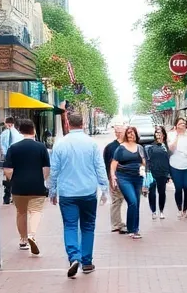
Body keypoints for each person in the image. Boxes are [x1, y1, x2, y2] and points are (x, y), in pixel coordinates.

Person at [49, 112, 108, 278]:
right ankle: (87, 262)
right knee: (88, 226)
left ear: (68, 123)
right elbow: (99, 167)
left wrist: (52, 190)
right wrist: (104, 188)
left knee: (70, 225)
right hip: (88, 191)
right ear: (83, 123)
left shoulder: (60, 144)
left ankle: (74, 257)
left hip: (67, 193)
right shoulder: (92, 144)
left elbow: (54, 170)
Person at [3, 118, 50, 255]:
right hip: (37, 186)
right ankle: (32, 234)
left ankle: (23, 239)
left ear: (20, 131)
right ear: (33, 130)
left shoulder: (13, 148)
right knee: (35, 211)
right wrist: (42, 179)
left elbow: (7, 169)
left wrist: (15, 179)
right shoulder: (41, 147)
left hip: (18, 187)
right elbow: (46, 168)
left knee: (21, 212)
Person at [110, 126, 147, 238]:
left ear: (136, 135)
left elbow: (144, 162)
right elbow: (113, 164)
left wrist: (143, 167)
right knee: (132, 201)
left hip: (137, 177)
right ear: (126, 135)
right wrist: (113, 177)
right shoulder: (121, 148)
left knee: (137, 203)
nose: (131, 135)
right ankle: (131, 229)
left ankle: (135, 229)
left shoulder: (140, 148)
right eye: (129, 133)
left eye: (133, 133)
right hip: (124, 178)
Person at [167, 116, 187, 220]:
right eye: (180, 123)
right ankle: (179, 209)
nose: (182, 125)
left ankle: (185, 210)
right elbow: (171, 149)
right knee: (178, 188)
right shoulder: (171, 135)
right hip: (175, 165)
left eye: (184, 123)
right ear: (176, 125)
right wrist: (177, 135)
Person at [146, 125, 172, 219]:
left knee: (162, 192)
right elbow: (147, 159)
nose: (158, 134)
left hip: (163, 172)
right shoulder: (150, 146)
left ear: (164, 134)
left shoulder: (166, 146)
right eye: (156, 132)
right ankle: (153, 211)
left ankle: (161, 211)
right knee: (152, 192)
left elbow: (169, 159)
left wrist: (169, 174)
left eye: (160, 132)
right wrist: (147, 171)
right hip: (152, 171)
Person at [104, 124, 125, 233]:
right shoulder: (110, 147)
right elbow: (107, 163)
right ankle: (116, 224)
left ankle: (120, 222)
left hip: (128, 177)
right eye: (117, 131)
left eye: (120, 131)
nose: (119, 133)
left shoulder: (130, 144)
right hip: (115, 177)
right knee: (116, 200)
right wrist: (110, 178)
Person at [0, 117, 21, 204]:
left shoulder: (4, 134)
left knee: (8, 176)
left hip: (8, 156)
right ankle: (13, 195)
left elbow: (2, 146)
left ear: (8, 124)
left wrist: (6, 155)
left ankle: (7, 195)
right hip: (16, 156)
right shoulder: (18, 134)